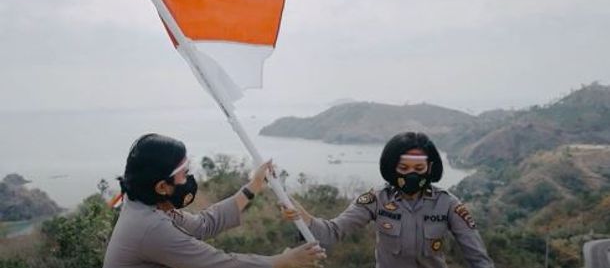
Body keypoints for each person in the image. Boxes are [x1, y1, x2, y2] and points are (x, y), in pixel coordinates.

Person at [103, 133, 325, 268]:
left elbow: (203, 225)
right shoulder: (150, 227)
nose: (189, 179)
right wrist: (280, 262)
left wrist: (254, 185)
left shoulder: (148, 204)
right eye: (184, 173)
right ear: (162, 186)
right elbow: (217, 263)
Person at [282, 132, 494, 268]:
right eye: (404, 169)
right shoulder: (376, 199)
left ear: (430, 169)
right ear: (393, 168)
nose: (412, 175)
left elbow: (477, 257)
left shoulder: (448, 204)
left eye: (419, 169)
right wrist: (305, 217)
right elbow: (332, 232)